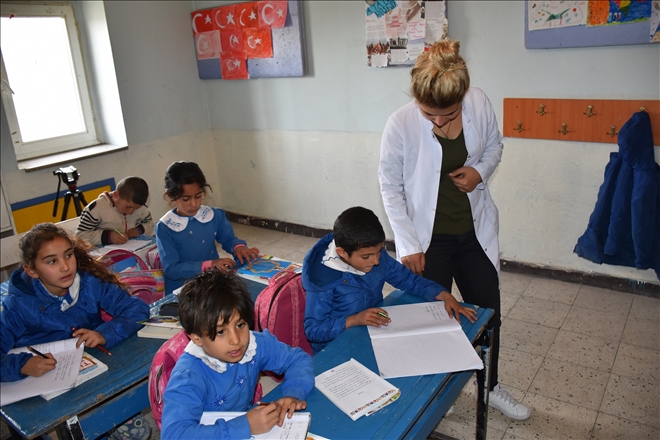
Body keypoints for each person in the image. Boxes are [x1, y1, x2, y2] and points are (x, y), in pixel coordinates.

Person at [378, 39, 531, 420]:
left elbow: (494, 146)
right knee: (432, 319)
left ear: (463, 97)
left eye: (448, 114)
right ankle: (436, 392)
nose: (439, 122)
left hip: (473, 232)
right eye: (429, 114)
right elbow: (390, 187)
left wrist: (480, 171)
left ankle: (490, 387)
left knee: (488, 313)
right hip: (428, 241)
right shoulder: (400, 124)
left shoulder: (478, 102)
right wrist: (408, 244)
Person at [160, 269, 314, 440]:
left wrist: (293, 393)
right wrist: (246, 426)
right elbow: (174, 435)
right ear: (196, 338)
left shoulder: (255, 345)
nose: (236, 340)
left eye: (240, 325)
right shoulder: (189, 376)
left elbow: (297, 359)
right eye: (220, 332)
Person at [303, 206, 476, 354]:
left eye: (379, 251)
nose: (376, 261)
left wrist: (443, 294)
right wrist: (354, 320)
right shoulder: (323, 281)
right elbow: (313, 330)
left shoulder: (376, 257)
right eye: (366, 256)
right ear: (342, 253)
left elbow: (409, 280)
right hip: (336, 348)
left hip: (371, 331)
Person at [0, 223, 150, 382]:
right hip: (46, 384)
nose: (65, 267)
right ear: (32, 271)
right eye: (52, 261)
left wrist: (104, 333)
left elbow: (137, 308)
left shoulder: (89, 282)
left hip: (95, 369)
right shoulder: (18, 305)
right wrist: (21, 365)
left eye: (68, 255)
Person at [155, 161, 260, 294]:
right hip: (183, 289)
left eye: (198, 196)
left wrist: (239, 248)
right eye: (186, 199)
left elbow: (228, 239)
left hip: (211, 282)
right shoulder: (165, 227)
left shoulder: (214, 215)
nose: (194, 204)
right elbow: (172, 269)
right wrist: (209, 265)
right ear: (170, 196)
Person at [76, 176, 155, 246]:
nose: (131, 212)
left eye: (136, 209)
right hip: (103, 252)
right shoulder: (96, 209)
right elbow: (80, 236)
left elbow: (150, 223)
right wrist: (109, 237)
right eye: (128, 207)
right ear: (116, 195)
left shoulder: (141, 208)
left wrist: (139, 230)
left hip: (132, 248)